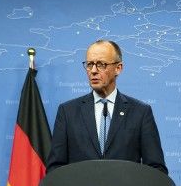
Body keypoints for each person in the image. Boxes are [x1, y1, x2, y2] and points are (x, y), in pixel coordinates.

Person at [46, 39, 168, 174]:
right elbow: (55, 169)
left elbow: (157, 170)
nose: (93, 71)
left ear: (118, 68)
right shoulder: (67, 112)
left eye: (101, 64)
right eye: (89, 64)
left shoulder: (140, 113)